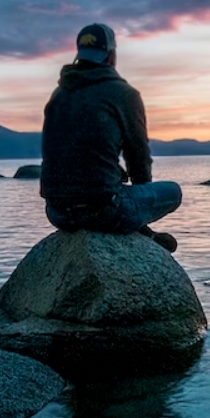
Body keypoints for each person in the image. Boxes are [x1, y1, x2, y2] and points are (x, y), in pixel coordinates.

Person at [40, 23, 181, 252]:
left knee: (114, 187)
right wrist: (139, 196)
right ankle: (142, 231)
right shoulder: (123, 94)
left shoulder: (58, 96)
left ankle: (143, 231)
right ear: (111, 54)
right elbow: (138, 155)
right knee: (173, 192)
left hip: (56, 213)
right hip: (104, 211)